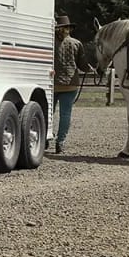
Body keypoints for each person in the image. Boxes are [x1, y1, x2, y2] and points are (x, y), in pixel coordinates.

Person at [52, 15, 94, 154]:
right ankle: (60, 142)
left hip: (52, 83)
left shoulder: (50, 43)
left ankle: (45, 137)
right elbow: (82, 64)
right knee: (65, 114)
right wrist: (91, 69)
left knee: (48, 113)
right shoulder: (76, 43)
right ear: (69, 28)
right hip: (70, 84)